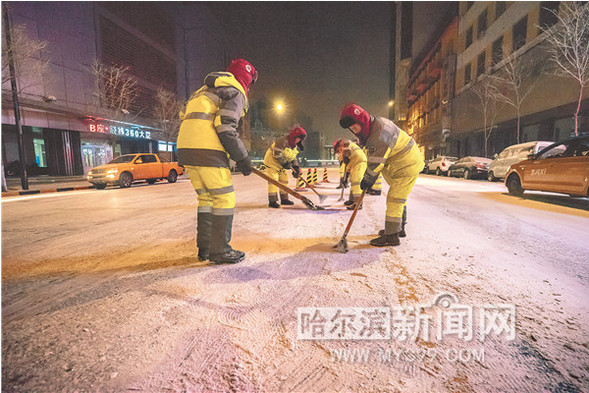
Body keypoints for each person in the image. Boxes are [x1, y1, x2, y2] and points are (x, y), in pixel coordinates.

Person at [176, 58, 257, 264]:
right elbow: (225, 127)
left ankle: (205, 248)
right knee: (224, 199)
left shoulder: (204, 91)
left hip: (187, 150)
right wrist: (242, 157)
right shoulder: (233, 91)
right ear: (245, 80)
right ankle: (220, 250)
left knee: (206, 199)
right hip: (207, 150)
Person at [339, 103, 424, 246]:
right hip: (400, 164)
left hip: (406, 164)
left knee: (395, 199)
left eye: (355, 127)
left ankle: (392, 236)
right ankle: (398, 229)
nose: (354, 131)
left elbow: (375, 163)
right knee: (399, 199)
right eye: (351, 129)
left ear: (362, 121)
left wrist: (367, 178)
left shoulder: (379, 134)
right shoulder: (373, 127)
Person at [263, 126, 306, 208]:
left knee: (284, 180)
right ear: (294, 137)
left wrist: (296, 167)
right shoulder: (282, 141)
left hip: (280, 165)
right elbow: (277, 154)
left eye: (301, 139)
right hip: (272, 163)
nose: (299, 140)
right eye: (299, 138)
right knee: (273, 181)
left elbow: (293, 158)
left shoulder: (294, 146)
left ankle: (284, 199)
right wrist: (285, 164)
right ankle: (272, 201)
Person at [333, 138, 367, 210]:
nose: (339, 152)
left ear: (339, 145)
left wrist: (345, 157)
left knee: (356, 183)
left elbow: (346, 157)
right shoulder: (344, 147)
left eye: (339, 150)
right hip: (354, 164)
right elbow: (347, 165)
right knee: (353, 183)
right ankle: (352, 200)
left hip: (359, 162)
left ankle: (358, 203)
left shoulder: (345, 144)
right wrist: (346, 177)